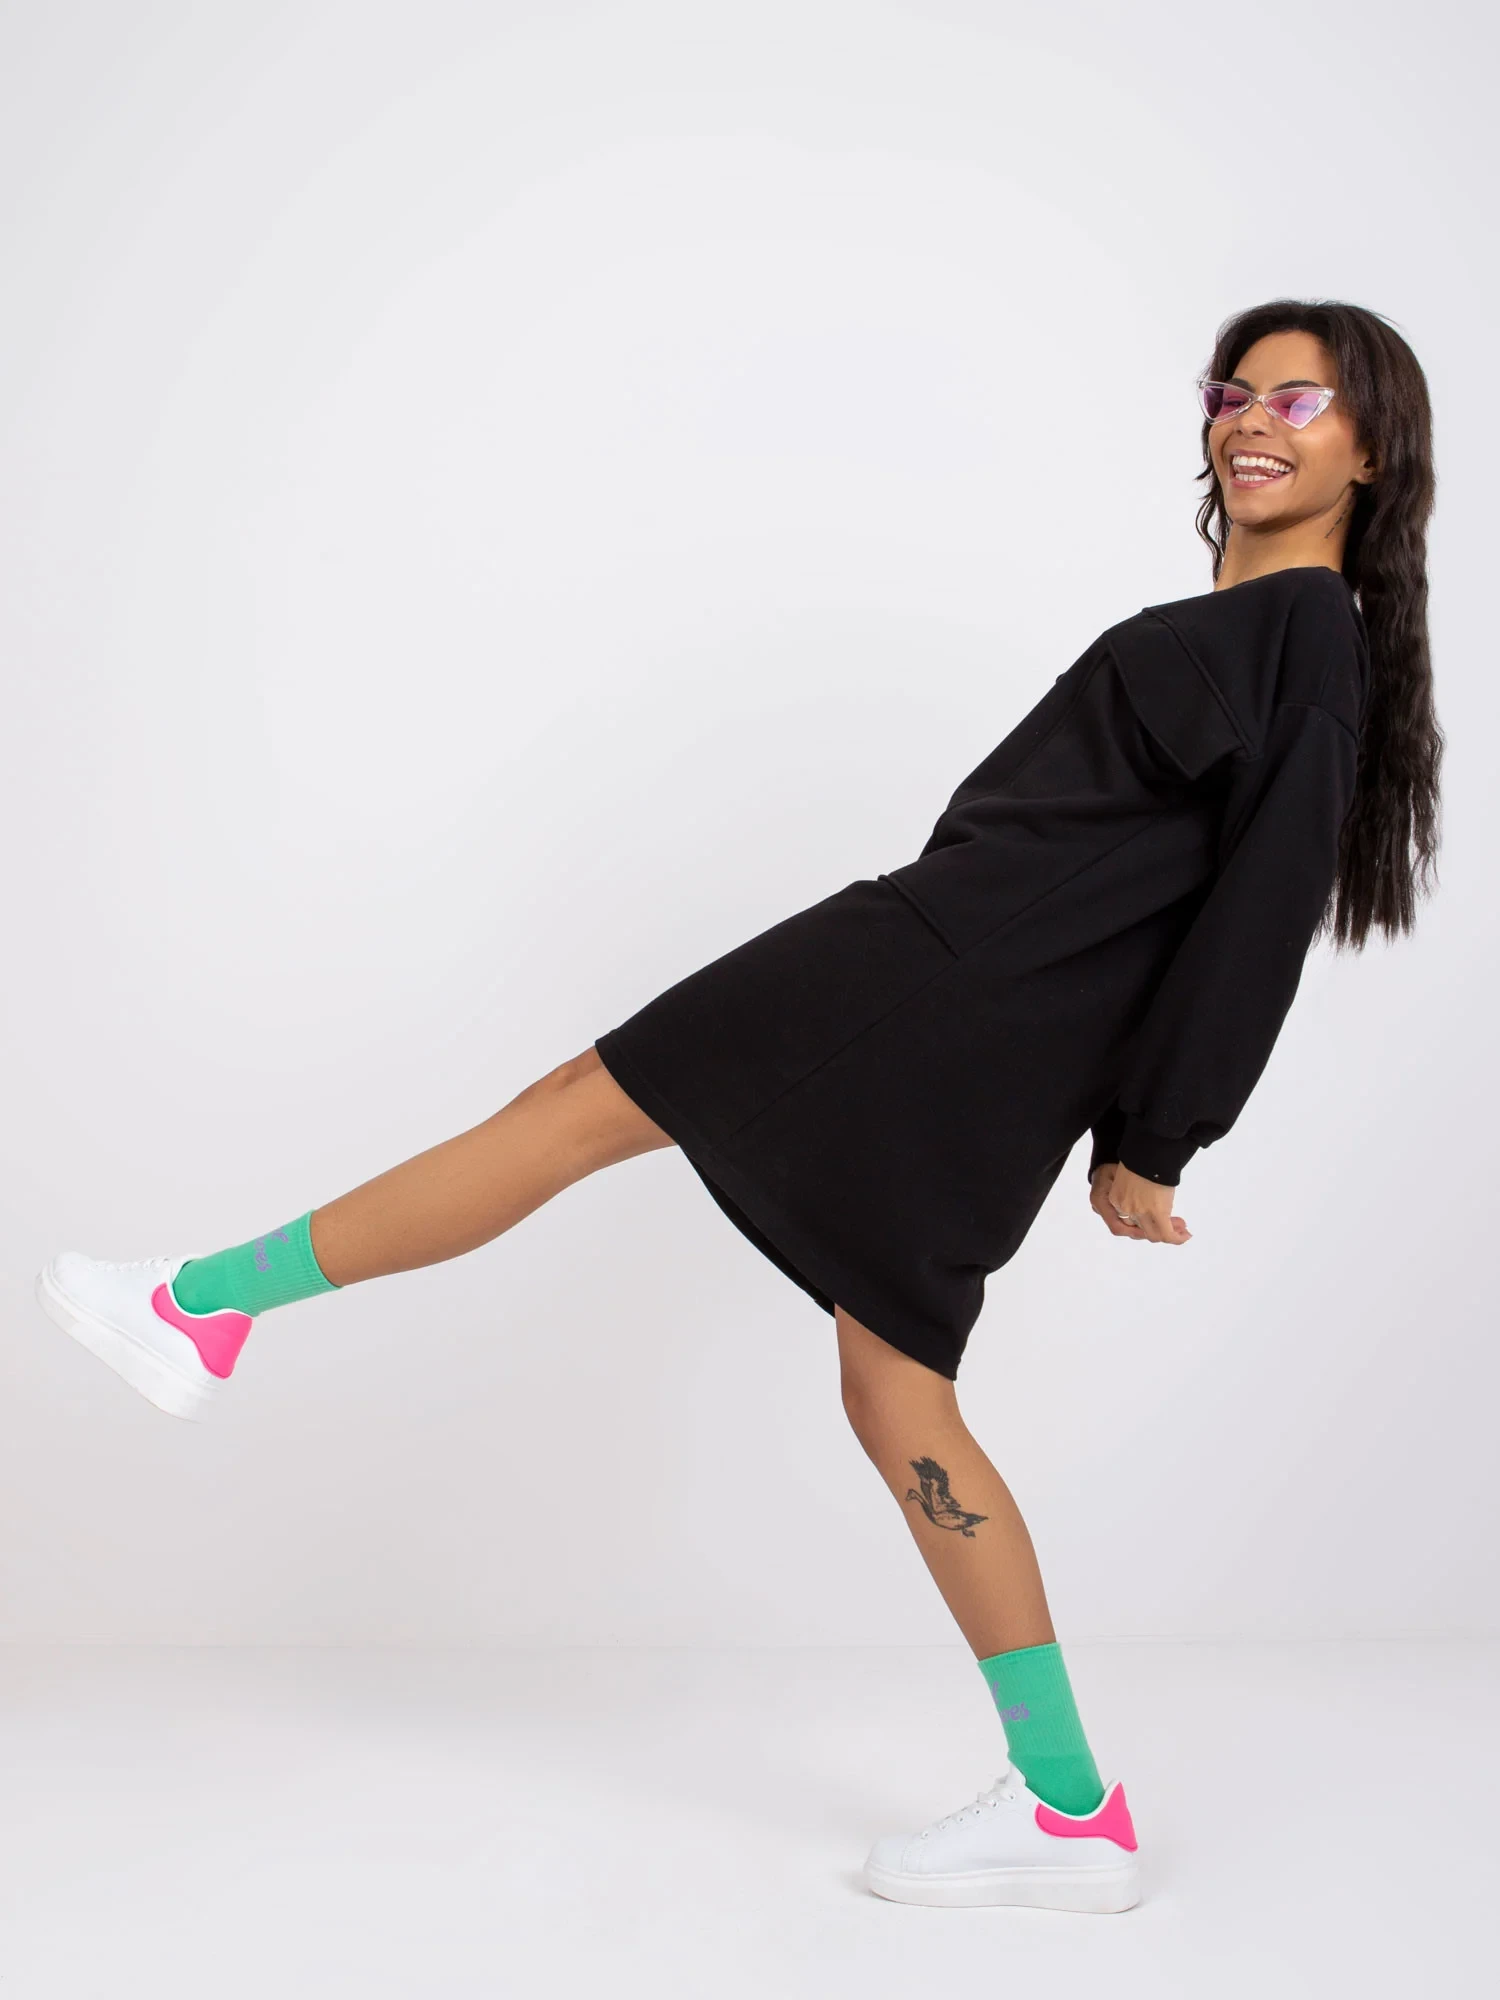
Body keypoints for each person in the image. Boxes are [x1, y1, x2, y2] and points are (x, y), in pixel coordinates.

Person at [34, 297, 1441, 1914]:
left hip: (936, 970)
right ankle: (1069, 1808)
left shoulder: (1304, 631)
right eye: (1232, 391)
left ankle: (204, 1306)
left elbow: (1259, 911)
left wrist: (1157, 1135)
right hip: (990, 1018)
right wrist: (1118, 1115)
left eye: (1298, 399)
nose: (1251, 419)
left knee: (580, 1108)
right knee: (895, 1396)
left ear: (1371, 446)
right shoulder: (1278, 631)